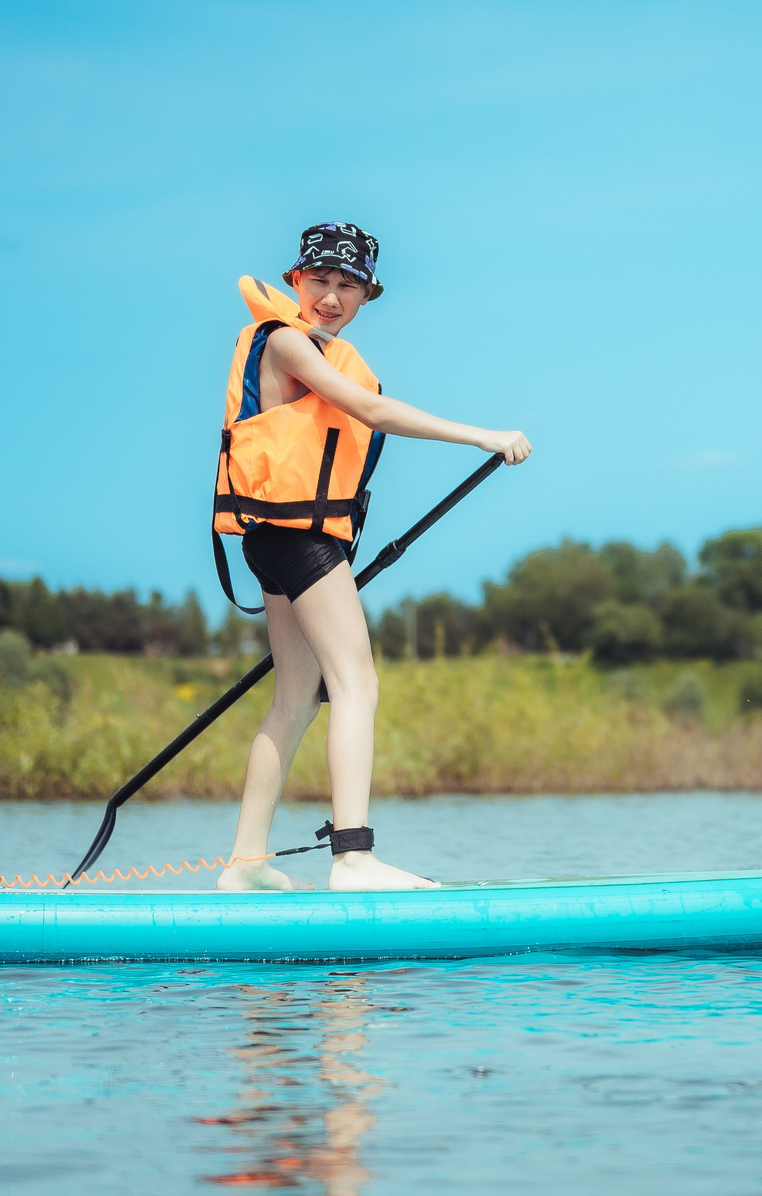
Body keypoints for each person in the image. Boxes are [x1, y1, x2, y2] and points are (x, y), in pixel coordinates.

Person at [212, 222, 530, 891]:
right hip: (299, 539)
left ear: (366, 295)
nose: (331, 296)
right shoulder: (288, 341)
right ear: (295, 280)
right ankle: (352, 857)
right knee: (357, 683)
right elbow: (370, 410)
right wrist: (483, 436)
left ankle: (245, 864)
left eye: (348, 285)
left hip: (276, 539)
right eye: (320, 280)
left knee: (296, 698)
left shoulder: (307, 344)